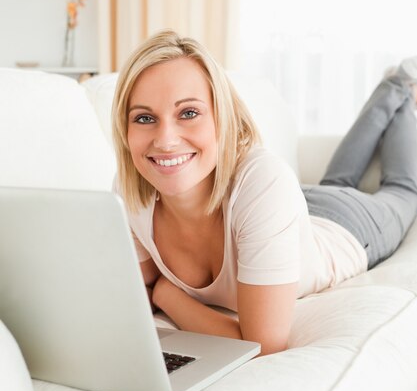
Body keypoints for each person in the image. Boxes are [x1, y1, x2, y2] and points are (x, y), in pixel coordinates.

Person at [112, 30, 417, 356]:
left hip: (346, 226)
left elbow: (262, 345)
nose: (166, 140)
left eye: (188, 113)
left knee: (404, 190)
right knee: (337, 182)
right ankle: (395, 88)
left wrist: (167, 295)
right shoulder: (132, 189)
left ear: (221, 116)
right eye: (144, 118)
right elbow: (134, 287)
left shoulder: (264, 181)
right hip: (283, 212)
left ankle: (400, 88)